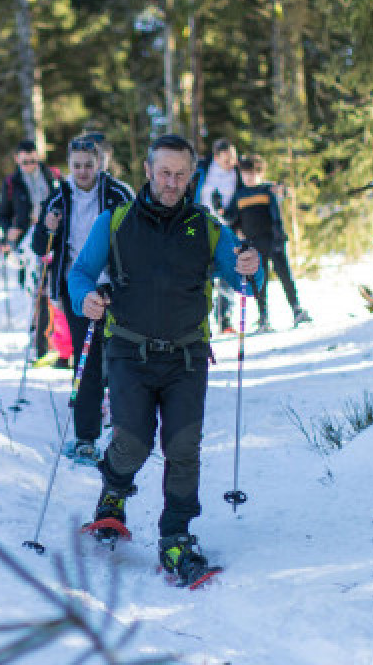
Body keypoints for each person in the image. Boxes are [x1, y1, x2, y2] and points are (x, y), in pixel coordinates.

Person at [68, 134, 261, 583]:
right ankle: (113, 492)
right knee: (132, 441)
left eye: (180, 174)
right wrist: (85, 300)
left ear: (191, 175)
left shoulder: (207, 226)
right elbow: (79, 273)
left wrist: (250, 267)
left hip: (187, 355)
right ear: (147, 169)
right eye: (163, 173)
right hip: (127, 350)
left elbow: (242, 276)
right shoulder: (114, 223)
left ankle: (175, 534)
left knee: (183, 446)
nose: (171, 183)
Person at [31, 134, 134, 463]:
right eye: (76, 165)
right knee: (86, 362)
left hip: (116, 287)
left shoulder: (118, 193)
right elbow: (38, 245)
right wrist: (47, 228)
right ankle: (85, 436)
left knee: (119, 359)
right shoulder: (59, 196)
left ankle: (127, 432)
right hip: (78, 287)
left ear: (101, 162)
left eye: (89, 165)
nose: (83, 171)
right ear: (69, 165)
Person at [223, 154, 312, 331]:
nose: (249, 177)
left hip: (273, 241)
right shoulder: (239, 195)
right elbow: (231, 217)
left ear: (261, 173)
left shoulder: (267, 190)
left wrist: (283, 191)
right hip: (253, 245)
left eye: (253, 173)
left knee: (285, 276)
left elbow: (281, 197)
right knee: (259, 282)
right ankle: (263, 316)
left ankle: (296, 309)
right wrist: (220, 207)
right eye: (246, 173)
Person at [0, 140, 61, 359]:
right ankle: (38, 340)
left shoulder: (52, 176)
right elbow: (3, 214)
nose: (30, 166)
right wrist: (9, 231)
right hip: (27, 243)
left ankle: (55, 341)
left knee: (53, 290)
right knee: (34, 291)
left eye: (33, 161)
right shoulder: (12, 183)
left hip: (53, 238)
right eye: (25, 162)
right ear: (17, 160)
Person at [195, 138, 244, 334]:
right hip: (201, 227)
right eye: (226, 159)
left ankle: (225, 318)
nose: (231, 162)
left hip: (227, 229)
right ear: (215, 157)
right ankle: (200, 317)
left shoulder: (238, 173)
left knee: (227, 270)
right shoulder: (203, 169)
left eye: (233, 157)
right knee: (202, 272)